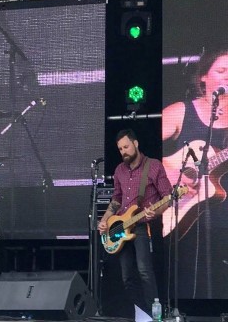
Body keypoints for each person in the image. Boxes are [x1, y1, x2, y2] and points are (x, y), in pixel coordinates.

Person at [162, 46, 228, 298]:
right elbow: (136, 150)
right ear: (204, 77)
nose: (227, 76)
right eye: (221, 70)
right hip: (186, 226)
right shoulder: (182, 111)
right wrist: (164, 174)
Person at [97, 129, 172, 314]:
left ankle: (155, 314)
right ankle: (142, 312)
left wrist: (155, 213)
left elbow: (168, 197)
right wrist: (105, 219)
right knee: (126, 277)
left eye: (126, 146)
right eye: (120, 148)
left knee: (145, 271)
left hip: (142, 225)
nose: (123, 151)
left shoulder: (153, 166)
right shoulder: (119, 170)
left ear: (136, 144)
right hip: (121, 227)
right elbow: (116, 199)